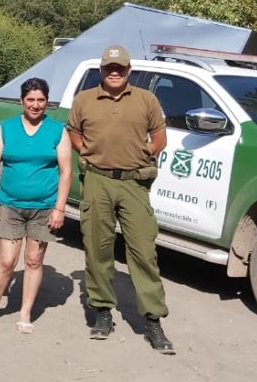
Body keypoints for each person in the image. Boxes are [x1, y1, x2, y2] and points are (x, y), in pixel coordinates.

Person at [66, 45, 175, 354]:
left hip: (133, 184)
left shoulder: (146, 100)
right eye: (109, 68)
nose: (115, 72)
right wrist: (84, 149)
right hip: (97, 181)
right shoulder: (84, 99)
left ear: (129, 71)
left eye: (120, 68)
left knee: (143, 251)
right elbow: (73, 132)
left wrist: (146, 154)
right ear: (102, 70)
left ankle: (153, 320)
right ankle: (102, 312)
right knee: (97, 248)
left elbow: (160, 138)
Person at [0, 77, 72, 334]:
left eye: (40, 100)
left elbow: (66, 171)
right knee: (7, 260)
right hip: (10, 204)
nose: (35, 105)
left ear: (46, 102)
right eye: (30, 100)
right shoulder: (6, 128)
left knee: (33, 260)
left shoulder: (57, 131)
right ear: (21, 101)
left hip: (44, 207)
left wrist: (59, 208)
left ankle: (25, 312)